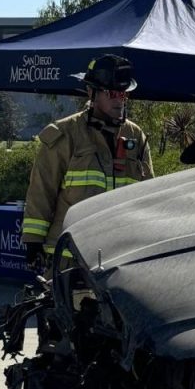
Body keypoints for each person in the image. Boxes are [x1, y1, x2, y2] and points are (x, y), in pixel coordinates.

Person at [22, 54, 153, 272]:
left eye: (123, 94)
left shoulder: (135, 136)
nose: (119, 99)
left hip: (118, 255)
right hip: (70, 256)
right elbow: (41, 190)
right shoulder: (65, 134)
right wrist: (33, 241)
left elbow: (149, 194)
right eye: (112, 93)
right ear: (91, 92)